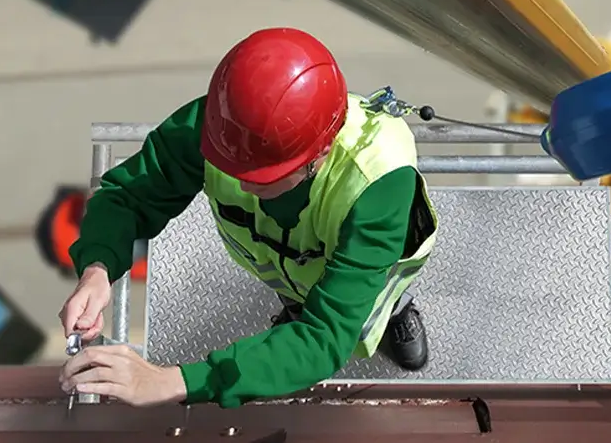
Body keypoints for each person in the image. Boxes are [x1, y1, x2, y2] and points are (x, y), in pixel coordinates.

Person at [58, 27, 439, 408]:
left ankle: (395, 314)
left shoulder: (379, 183)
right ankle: (294, 312)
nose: (239, 182)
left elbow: (325, 337)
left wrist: (173, 381)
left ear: (319, 154)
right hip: (283, 264)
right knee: (297, 309)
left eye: (260, 175)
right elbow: (127, 196)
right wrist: (98, 267)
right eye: (230, 164)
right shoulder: (224, 125)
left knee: (367, 302)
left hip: (366, 271)